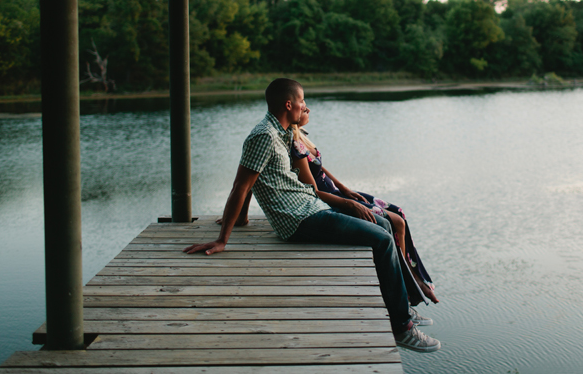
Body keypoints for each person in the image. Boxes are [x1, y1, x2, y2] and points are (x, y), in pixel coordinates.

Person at [183, 78, 440, 353]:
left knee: (385, 225)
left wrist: (243, 218)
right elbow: (242, 184)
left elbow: (253, 181)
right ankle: (401, 327)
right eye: (302, 101)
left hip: (311, 206)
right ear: (288, 104)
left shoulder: (281, 132)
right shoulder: (263, 136)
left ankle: (401, 308)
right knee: (383, 240)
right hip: (298, 219)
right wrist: (223, 239)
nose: (305, 106)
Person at [290, 110, 439, 305]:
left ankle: (413, 276)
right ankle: (410, 282)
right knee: (396, 222)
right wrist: (348, 202)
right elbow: (313, 190)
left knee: (399, 211)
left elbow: (317, 166)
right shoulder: (294, 146)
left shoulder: (303, 138)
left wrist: (344, 187)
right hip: (331, 201)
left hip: (338, 193)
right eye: (303, 106)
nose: (307, 109)